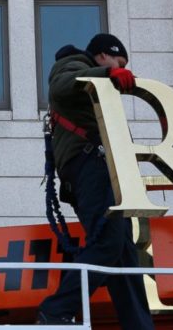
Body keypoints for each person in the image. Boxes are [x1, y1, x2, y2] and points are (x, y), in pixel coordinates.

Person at [37, 34, 154, 329]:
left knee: (124, 252)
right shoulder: (72, 65)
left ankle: (138, 325)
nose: (122, 67)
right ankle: (56, 310)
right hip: (91, 166)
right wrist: (108, 75)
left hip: (99, 170)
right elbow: (62, 86)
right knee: (108, 242)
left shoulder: (90, 81)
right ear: (102, 55)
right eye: (119, 60)